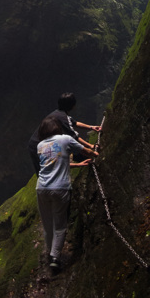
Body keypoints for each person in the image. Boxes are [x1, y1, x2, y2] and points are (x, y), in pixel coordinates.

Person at [35, 114, 95, 273]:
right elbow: (86, 151)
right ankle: (55, 257)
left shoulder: (40, 145)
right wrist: (97, 155)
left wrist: (79, 164)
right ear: (57, 128)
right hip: (60, 188)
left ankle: (49, 253)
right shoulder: (65, 139)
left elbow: (55, 163)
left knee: (48, 226)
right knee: (60, 225)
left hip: (41, 188)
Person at [27, 92, 101, 175]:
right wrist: (90, 147)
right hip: (39, 145)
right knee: (47, 169)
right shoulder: (62, 118)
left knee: (43, 170)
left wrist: (91, 127)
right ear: (73, 106)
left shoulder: (58, 113)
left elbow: (75, 123)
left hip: (35, 143)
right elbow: (75, 138)